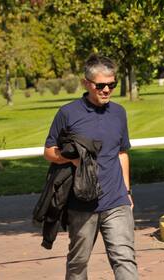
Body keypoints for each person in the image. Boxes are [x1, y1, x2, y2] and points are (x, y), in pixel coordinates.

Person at [44, 54, 138, 279]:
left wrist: (127, 191)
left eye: (112, 85)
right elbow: (49, 151)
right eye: (101, 85)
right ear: (86, 83)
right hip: (81, 202)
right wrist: (73, 159)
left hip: (116, 200)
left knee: (124, 257)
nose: (107, 90)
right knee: (78, 262)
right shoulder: (68, 113)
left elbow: (122, 152)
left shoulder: (119, 113)